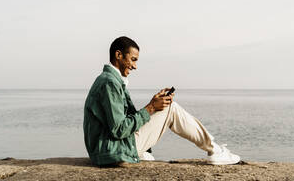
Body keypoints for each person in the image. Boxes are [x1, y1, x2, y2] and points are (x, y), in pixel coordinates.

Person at [83, 36, 240, 166]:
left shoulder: (109, 80)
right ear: (118, 55)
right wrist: (151, 107)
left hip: (107, 149)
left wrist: (154, 105)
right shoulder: (109, 83)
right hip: (110, 152)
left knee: (164, 107)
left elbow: (120, 123)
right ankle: (214, 150)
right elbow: (119, 129)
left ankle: (212, 148)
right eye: (133, 59)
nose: (135, 66)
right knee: (171, 109)